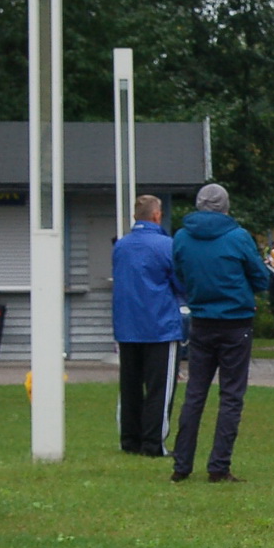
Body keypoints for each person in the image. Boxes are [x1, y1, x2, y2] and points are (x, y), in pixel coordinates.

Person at [170, 183, 269, 483]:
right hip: (235, 322)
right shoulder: (238, 237)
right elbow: (260, 278)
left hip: (200, 320)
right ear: (226, 206)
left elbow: (179, 275)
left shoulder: (182, 237)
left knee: (195, 393)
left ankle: (181, 464)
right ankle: (219, 465)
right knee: (231, 395)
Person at [112, 193, 184, 457]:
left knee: (129, 385)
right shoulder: (167, 245)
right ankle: (154, 443)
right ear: (157, 215)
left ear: (135, 216)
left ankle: (129, 439)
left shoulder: (121, 246)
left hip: (127, 325)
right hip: (159, 325)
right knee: (159, 387)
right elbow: (181, 283)